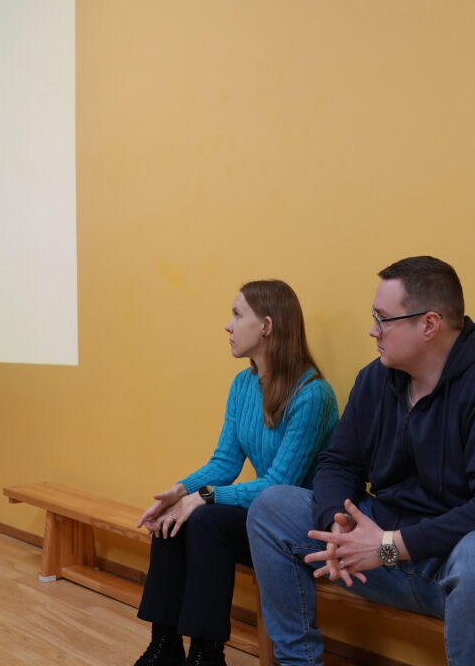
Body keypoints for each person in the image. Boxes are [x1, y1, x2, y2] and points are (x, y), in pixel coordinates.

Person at [247, 256, 475, 666]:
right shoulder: (375, 379)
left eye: (383, 319)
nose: (373, 330)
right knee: (272, 507)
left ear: (429, 324)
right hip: (389, 555)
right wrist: (337, 523)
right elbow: (339, 463)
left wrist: (387, 547)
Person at [133, 279, 339, 666]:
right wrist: (180, 492)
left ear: (267, 325)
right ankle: (164, 646)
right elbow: (225, 463)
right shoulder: (243, 385)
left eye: (237, 315)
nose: (227, 325)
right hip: (263, 515)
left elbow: (280, 486)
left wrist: (205, 497)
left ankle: (206, 654)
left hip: (302, 525)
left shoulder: (312, 394)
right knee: (173, 518)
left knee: (205, 519)